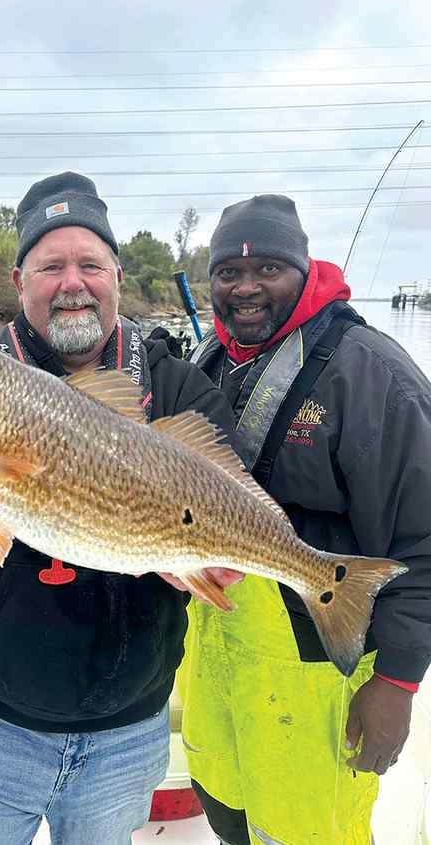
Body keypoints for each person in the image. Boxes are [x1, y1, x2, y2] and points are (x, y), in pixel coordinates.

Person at [0, 172, 236, 845]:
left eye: (90, 263)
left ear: (118, 274)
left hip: (128, 733)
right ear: (19, 280)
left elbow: (226, 501)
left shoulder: (178, 386)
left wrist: (214, 561)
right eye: (50, 265)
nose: (72, 282)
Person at [176, 194, 431, 845]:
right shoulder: (207, 360)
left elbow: (424, 540)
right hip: (217, 657)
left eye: (267, 268)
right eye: (229, 274)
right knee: (228, 811)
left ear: (304, 267)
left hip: (318, 672)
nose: (247, 287)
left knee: (310, 831)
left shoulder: (371, 374)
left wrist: (398, 683)